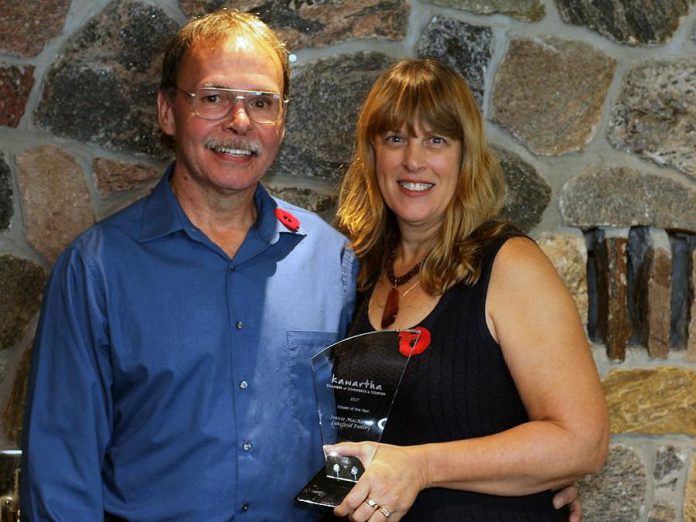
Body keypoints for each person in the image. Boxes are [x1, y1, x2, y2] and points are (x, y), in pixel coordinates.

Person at [20, 9, 357, 521]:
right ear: (167, 111)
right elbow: (62, 472)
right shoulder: (97, 268)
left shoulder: (330, 261)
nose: (239, 122)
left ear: (281, 121)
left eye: (261, 102)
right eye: (214, 98)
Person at [329, 58, 609, 521]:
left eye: (435, 140)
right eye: (395, 138)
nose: (413, 160)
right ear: (372, 154)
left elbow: (585, 442)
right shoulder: (359, 272)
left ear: (464, 155)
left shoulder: (509, 265)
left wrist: (420, 467)